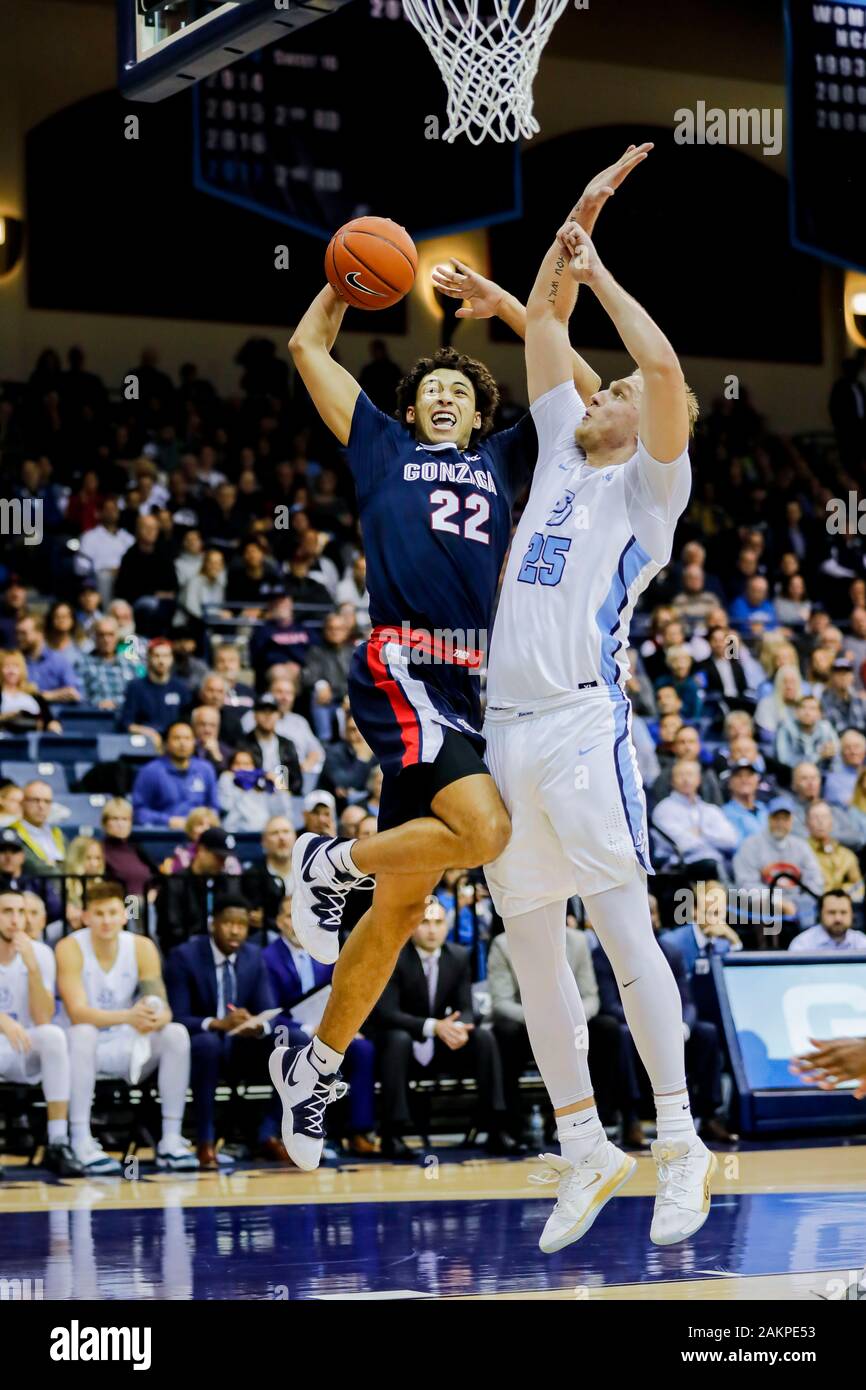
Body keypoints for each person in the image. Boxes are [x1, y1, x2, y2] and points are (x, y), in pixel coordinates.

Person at [273, 174, 588, 1166]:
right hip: (403, 659)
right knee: (484, 831)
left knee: (406, 900)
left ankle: (311, 1064)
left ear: (477, 407)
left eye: (459, 387)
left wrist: (524, 293)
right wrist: (340, 274)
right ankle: (325, 861)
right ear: (409, 406)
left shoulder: (501, 458)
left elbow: (575, 387)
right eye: (429, 387)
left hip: (478, 687)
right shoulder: (377, 445)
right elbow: (305, 349)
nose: (442, 393)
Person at [458, 146, 716, 1252]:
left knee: (620, 934)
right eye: (595, 389)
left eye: (611, 393)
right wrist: (575, 220)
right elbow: (547, 320)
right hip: (504, 731)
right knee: (526, 944)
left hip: (578, 724)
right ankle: (582, 1144)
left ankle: (676, 1139)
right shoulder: (562, 448)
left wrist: (601, 273)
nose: (599, 392)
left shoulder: (652, 486)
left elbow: (656, 372)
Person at [56, 881, 197, 1175]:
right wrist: (129, 1016)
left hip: (126, 1039)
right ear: (85, 917)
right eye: (99, 913)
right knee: (83, 1032)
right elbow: (78, 1013)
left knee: (175, 1033)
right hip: (81, 1049)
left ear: (124, 915)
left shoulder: (142, 947)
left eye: (112, 912)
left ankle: (171, 1139)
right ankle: (81, 1138)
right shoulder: (70, 948)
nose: (106, 920)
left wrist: (155, 1014)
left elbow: (163, 1004)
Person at [371, 898, 513, 1156]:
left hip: (441, 1044)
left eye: (438, 922)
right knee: (397, 1039)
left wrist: (459, 1028)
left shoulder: (458, 956)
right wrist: (434, 1027)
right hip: (402, 1041)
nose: (432, 929)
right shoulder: (394, 956)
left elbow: (467, 1007)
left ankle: (497, 1127)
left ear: (446, 926)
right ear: (412, 925)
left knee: (482, 1037)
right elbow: (386, 1013)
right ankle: (394, 1133)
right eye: (425, 922)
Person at [165, 897, 278, 1169]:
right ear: (212, 925)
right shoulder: (185, 956)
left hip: (241, 1044)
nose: (235, 931)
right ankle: (205, 1141)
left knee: (293, 1042)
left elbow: (269, 1009)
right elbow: (177, 1016)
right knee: (207, 1045)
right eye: (228, 923)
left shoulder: (253, 957)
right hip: (202, 1043)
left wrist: (256, 1024)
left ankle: (271, 1134)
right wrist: (218, 1023)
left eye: (241, 924)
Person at [263, 895, 378, 1156]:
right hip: (283, 1034)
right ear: (280, 922)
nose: (295, 923)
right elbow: (268, 1012)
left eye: (299, 915)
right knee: (299, 1042)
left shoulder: (327, 953)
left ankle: (359, 1131)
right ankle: (301, 1129)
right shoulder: (267, 958)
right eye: (289, 916)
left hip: (323, 1030)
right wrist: (307, 1030)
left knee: (362, 1048)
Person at [0, 887, 82, 1175]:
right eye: (7, 912)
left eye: (21, 912)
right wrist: (4, 1021)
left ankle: (57, 1141)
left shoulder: (41, 954)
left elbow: (43, 1016)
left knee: (53, 1036)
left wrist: (33, 970)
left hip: (22, 1046)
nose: (15, 920)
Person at [131, 721, 219, 829]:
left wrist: (202, 822)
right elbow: (139, 812)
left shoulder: (206, 769)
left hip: (199, 834)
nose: (182, 743)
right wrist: (168, 821)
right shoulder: (150, 771)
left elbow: (214, 808)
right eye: (177, 738)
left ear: (194, 742)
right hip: (163, 833)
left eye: (187, 738)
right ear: (167, 743)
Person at [119, 638, 191, 748]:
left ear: (172, 659)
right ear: (148, 658)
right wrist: (149, 733)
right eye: (156, 656)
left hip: (175, 743)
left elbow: (187, 722)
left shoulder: (181, 688)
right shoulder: (135, 687)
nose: (161, 661)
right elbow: (127, 724)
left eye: (166, 656)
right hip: (144, 742)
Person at [805, 801, 864, 900]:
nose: (820, 822)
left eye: (824, 817)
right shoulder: (800, 851)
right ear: (807, 824)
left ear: (831, 822)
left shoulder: (846, 854)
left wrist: (843, 893)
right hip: (809, 906)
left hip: (840, 907)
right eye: (815, 817)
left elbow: (860, 887)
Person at [77, 614, 137, 710]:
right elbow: (79, 695)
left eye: (111, 634)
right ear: (94, 637)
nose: (106, 639)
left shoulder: (131, 664)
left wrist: (116, 703)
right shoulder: (82, 664)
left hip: (125, 716)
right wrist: (97, 703)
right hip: (95, 716)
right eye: (101, 635)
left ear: (117, 636)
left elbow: (138, 695)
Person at [789, 890, 866, 953]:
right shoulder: (802, 944)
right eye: (831, 912)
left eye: (843, 912)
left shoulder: (862, 942)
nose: (838, 919)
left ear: (852, 914)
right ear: (820, 914)